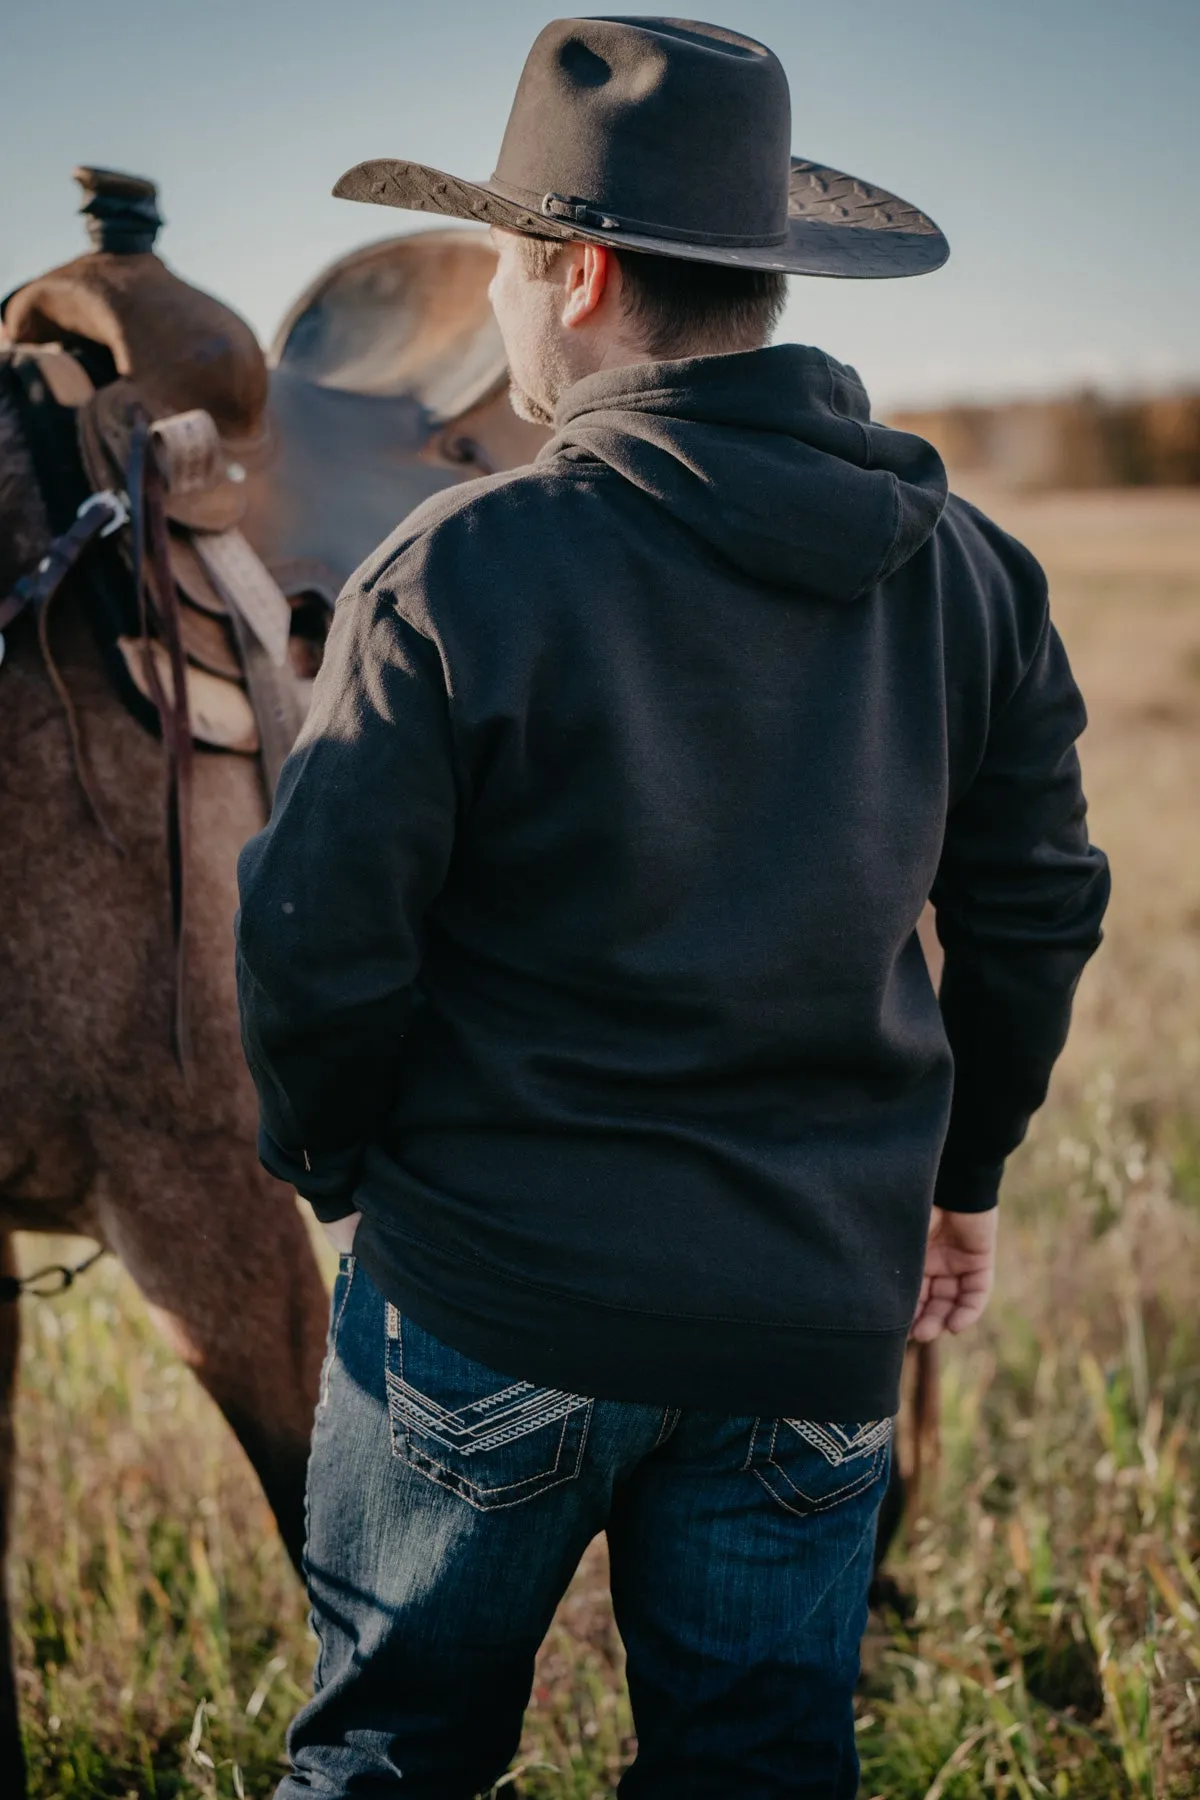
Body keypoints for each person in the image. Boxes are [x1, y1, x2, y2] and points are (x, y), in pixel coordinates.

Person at [235, 17, 1110, 1798]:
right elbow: (1036, 914)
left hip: (488, 1300)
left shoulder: (462, 561)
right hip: (810, 1322)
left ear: (578, 275)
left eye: (497, 258)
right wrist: (966, 1180)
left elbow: (318, 936)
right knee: (763, 1772)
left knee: (390, 1761)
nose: (484, 300)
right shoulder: (975, 572)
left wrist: (338, 1174)